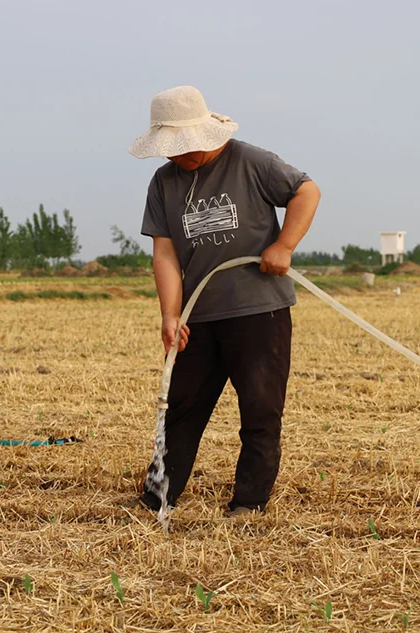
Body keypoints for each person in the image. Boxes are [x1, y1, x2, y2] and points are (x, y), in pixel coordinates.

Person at [129, 86, 321, 517]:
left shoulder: (252, 162)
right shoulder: (164, 182)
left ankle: (249, 503)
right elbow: (165, 253)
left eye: (187, 147)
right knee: (181, 407)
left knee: (260, 408)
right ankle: (158, 497)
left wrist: (284, 246)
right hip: (200, 314)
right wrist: (170, 314)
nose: (180, 157)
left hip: (259, 311)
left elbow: (307, 192)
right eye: (172, 150)